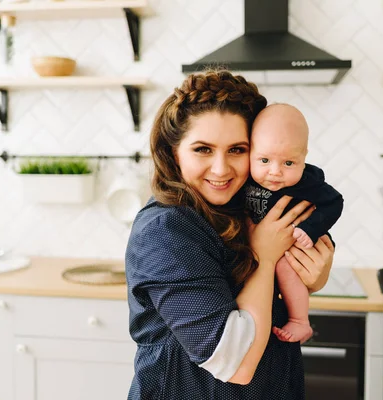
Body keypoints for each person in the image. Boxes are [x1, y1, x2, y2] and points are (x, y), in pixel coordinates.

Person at [125, 70, 335, 400]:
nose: (221, 169)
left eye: (237, 150)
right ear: (173, 152)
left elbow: (285, 275)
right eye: (203, 150)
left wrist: (313, 274)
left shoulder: (246, 204)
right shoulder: (165, 232)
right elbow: (236, 364)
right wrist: (265, 259)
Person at [245, 103, 344, 344]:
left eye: (289, 163)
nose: (275, 172)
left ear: (304, 157)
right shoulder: (244, 178)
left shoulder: (308, 184)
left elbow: (334, 203)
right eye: (264, 160)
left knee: (286, 268)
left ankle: (300, 321)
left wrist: (310, 230)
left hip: (297, 244)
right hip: (259, 252)